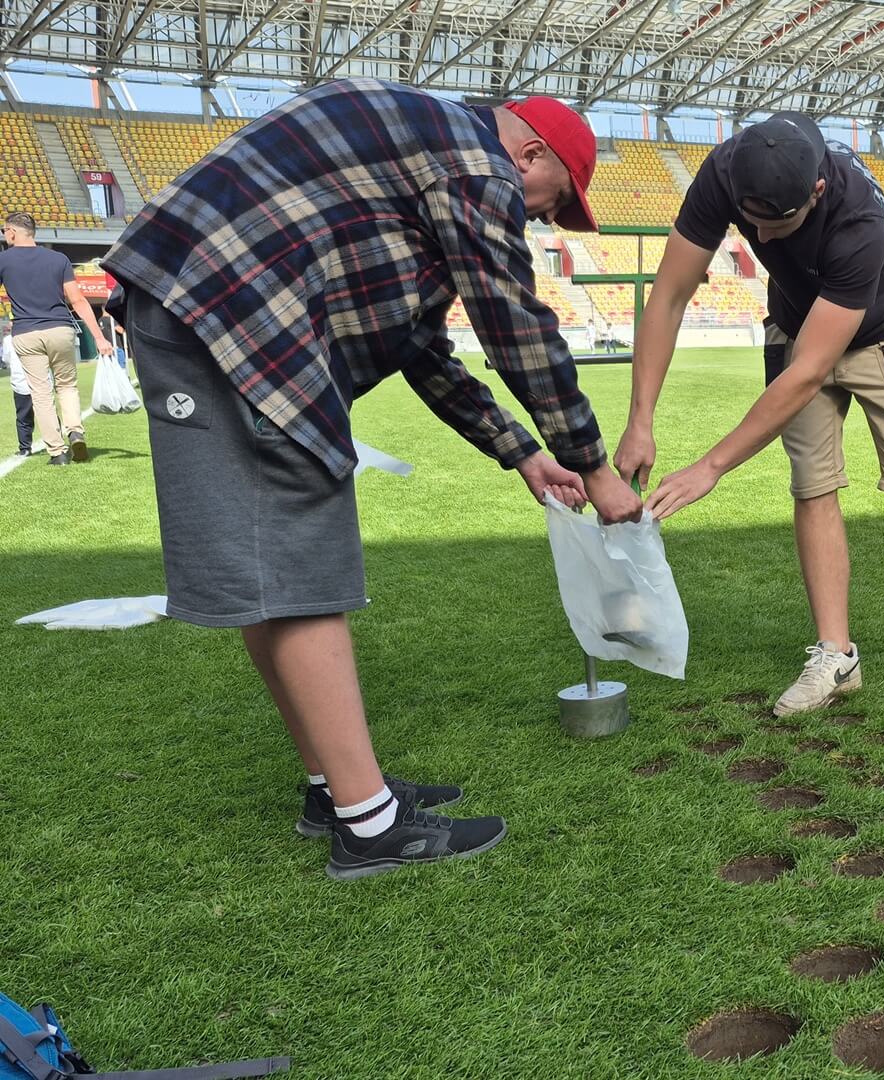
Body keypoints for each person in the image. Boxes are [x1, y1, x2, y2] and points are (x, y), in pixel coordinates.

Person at [101, 78, 643, 882]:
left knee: (268, 564)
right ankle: (369, 827)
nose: (528, 217)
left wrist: (523, 451)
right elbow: (513, 321)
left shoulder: (421, 147)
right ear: (529, 152)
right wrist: (595, 466)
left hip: (199, 297)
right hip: (238, 314)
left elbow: (420, 346)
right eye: (543, 202)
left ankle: (337, 789)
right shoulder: (476, 168)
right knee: (303, 564)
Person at [616, 111, 884, 716]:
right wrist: (640, 420)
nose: (764, 242)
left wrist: (711, 467)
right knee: (813, 485)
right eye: (753, 224)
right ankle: (835, 654)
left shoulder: (858, 220)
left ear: (816, 192)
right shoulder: (725, 170)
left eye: (780, 224)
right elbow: (668, 295)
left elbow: (809, 372)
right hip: (796, 323)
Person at [0, 213, 114, 465]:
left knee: (40, 392)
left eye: (4, 231)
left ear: (12, 232)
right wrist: (99, 337)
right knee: (67, 386)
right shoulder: (58, 259)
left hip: (26, 332)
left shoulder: (3, 260)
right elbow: (78, 300)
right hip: (60, 329)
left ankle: (57, 452)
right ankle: (75, 431)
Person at [5, 321, 32, 456]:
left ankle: (25, 448)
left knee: (23, 417)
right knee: (48, 412)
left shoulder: (8, 340)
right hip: (40, 381)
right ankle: (57, 443)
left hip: (19, 381)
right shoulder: (35, 333)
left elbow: (6, 359)